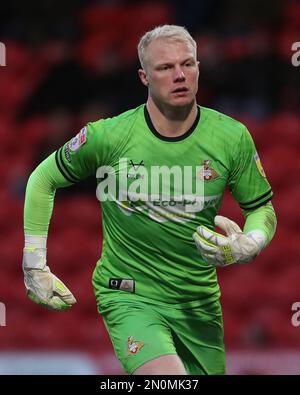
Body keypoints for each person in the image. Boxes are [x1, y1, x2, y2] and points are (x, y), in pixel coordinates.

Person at [22, 25, 277, 375]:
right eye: (165, 68)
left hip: (197, 301)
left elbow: (261, 208)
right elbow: (42, 178)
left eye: (188, 64)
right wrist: (34, 263)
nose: (180, 75)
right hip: (128, 293)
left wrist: (251, 242)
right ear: (144, 76)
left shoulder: (232, 138)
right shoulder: (108, 136)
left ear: (199, 68)